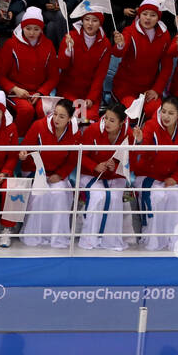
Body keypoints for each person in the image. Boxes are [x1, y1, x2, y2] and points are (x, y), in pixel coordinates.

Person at [133, 95, 178, 251]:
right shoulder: (151, 125)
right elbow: (143, 143)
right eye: (163, 111)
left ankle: (172, 240)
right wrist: (139, 141)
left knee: (173, 194)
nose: (165, 116)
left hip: (169, 177)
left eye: (171, 113)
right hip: (147, 175)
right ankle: (151, 240)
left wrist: (176, 177)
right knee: (157, 196)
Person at [17, 97, 77, 247]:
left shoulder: (74, 133)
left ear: (69, 119)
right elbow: (25, 148)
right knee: (40, 195)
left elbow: (72, 159)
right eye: (55, 114)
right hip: (35, 172)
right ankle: (33, 236)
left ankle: (56, 237)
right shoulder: (39, 125)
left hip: (56, 175)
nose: (56, 118)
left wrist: (61, 174)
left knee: (60, 195)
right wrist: (23, 154)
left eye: (62, 116)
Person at [76, 100, 131, 250]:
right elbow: (81, 155)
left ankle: (110, 241)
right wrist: (95, 166)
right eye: (106, 117)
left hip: (115, 176)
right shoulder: (92, 130)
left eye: (112, 120)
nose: (107, 122)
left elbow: (131, 157)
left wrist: (117, 165)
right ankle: (89, 239)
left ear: (121, 122)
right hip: (90, 174)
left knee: (114, 198)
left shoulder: (128, 134)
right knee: (98, 196)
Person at [0, 6, 59, 135]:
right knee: (26, 110)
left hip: (38, 93)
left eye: (36, 29)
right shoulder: (11, 45)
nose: (32, 32)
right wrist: (15, 89)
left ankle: (40, 141)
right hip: (16, 93)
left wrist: (41, 92)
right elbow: (1, 76)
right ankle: (17, 140)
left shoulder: (48, 45)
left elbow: (53, 77)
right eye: (28, 28)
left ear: (42, 29)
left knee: (46, 111)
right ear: (22, 27)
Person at [109, 0, 173, 121]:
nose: (148, 18)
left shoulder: (165, 35)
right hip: (126, 88)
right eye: (144, 14)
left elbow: (167, 66)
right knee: (133, 114)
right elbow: (118, 53)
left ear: (158, 18)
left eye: (153, 15)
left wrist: (156, 90)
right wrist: (120, 44)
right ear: (139, 15)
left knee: (154, 112)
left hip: (148, 89)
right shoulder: (129, 31)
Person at [56, 4, 111, 123]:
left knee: (87, 120)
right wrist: (68, 51)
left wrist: (91, 98)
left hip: (89, 93)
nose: (90, 24)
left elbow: (100, 75)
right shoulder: (71, 37)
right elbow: (61, 65)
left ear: (100, 23)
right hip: (68, 90)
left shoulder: (105, 44)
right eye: (87, 19)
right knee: (72, 118)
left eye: (94, 20)